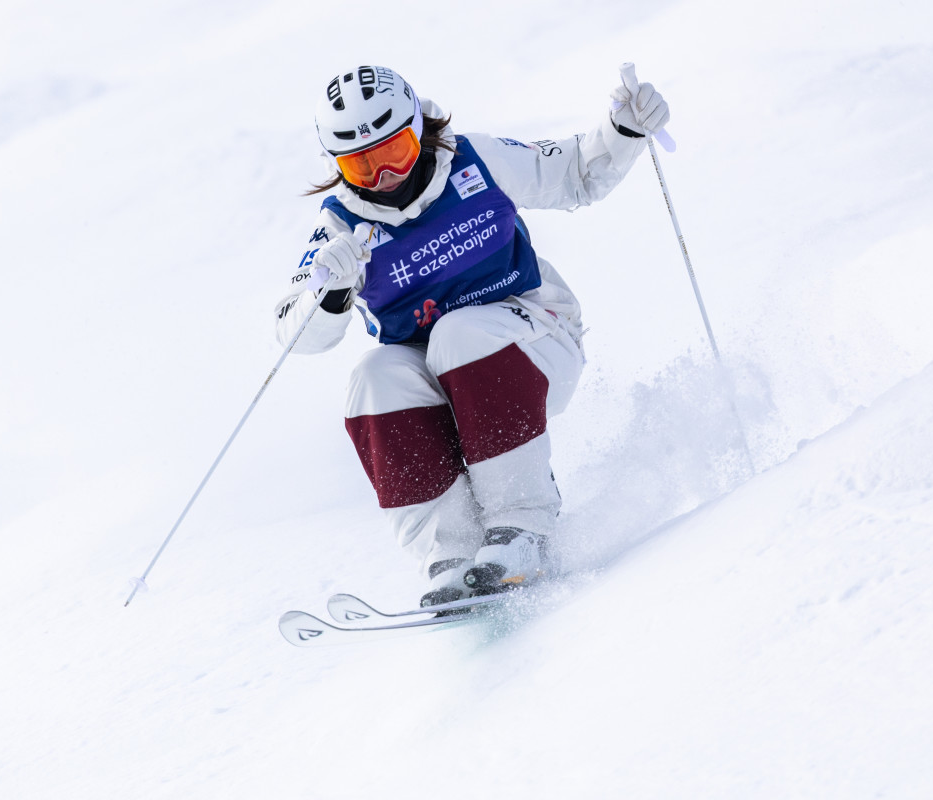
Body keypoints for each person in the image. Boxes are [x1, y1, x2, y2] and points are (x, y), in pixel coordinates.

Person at [274, 64, 669, 607]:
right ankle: (452, 556)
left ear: (419, 127)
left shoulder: (475, 161)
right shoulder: (341, 228)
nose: (384, 175)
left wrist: (622, 130)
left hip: (535, 342)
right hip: (442, 386)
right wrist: (332, 290)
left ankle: (523, 527)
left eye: (394, 151)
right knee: (374, 375)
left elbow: (575, 172)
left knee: (458, 332)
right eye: (362, 165)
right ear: (336, 165)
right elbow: (295, 334)